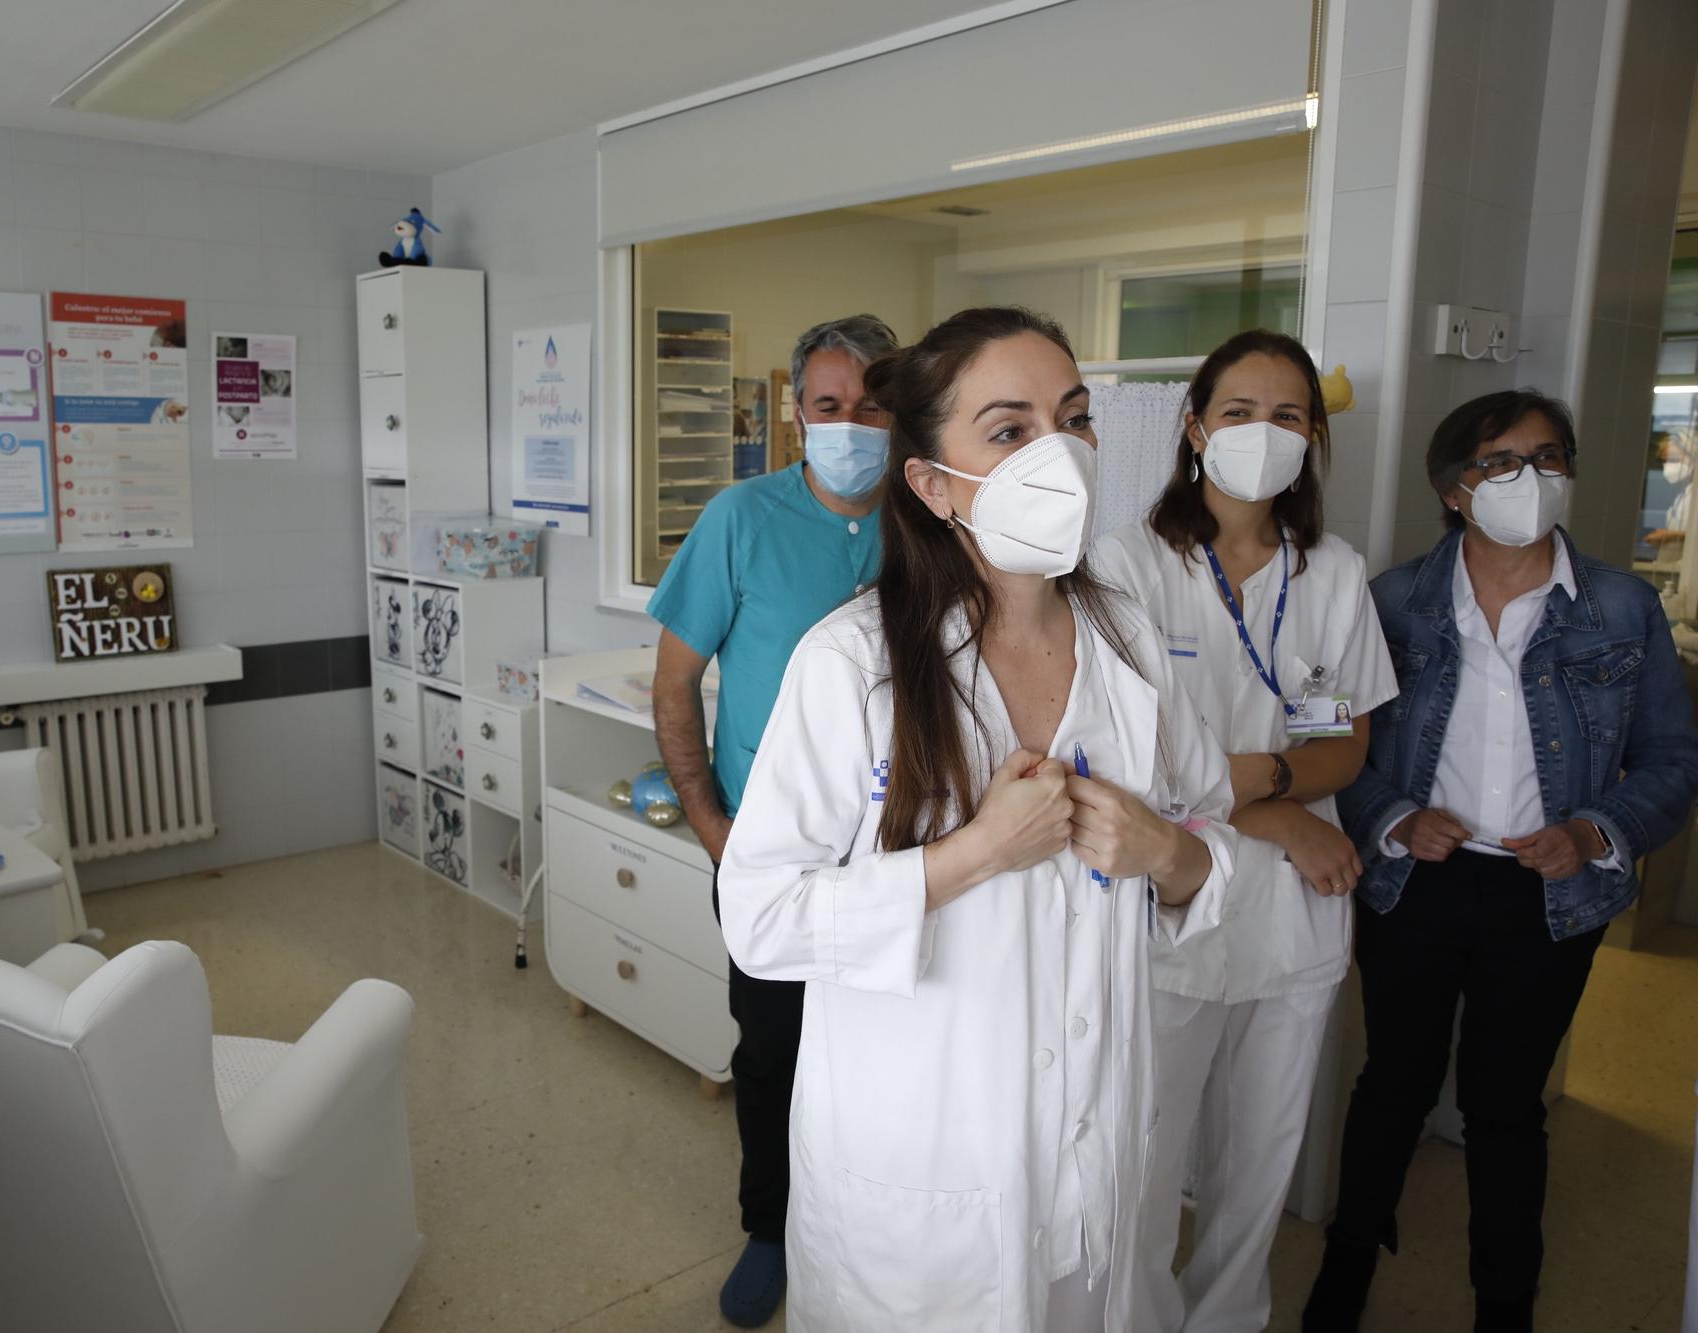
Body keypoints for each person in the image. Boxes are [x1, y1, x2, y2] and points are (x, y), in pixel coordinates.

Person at [717, 306, 1239, 1332]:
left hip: (1095, 1144)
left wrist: (1164, 854)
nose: (1060, 454)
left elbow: (1207, 844)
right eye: (1009, 430)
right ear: (929, 481)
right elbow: (759, 916)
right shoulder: (850, 663)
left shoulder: (1129, 639)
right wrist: (969, 856)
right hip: (925, 1168)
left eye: (1072, 418)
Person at [1306, 390, 1698, 1333]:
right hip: (1417, 882)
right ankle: (1345, 1275)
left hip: (1549, 891)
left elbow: (1675, 759)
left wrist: (1597, 830)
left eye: (1549, 457)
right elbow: (1332, 748)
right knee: (1392, 1082)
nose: (1532, 479)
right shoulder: (1394, 599)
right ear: (1453, 490)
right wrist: (1396, 818)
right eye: (1501, 463)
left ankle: (1504, 1301)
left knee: (1505, 1104)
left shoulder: (1620, 605)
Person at [1093, 330, 1398, 1333]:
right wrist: (1276, 809)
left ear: (1310, 438)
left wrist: (1248, 784)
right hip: (1170, 901)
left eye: (1284, 416)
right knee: (1142, 1165)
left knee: (1254, 1170)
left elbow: (1340, 748)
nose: (1259, 435)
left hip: (1292, 912)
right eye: (1236, 412)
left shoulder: (1330, 573)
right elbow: (1135, 767)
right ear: (1191, 428)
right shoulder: (1127, 564)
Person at [646, 313, 901, 1328]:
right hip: (768, 849)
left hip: (894, 856)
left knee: (885, 1050)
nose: (850, 423)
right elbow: (673, 685)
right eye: (828, 405)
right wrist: (714, 826)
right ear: (797, 415)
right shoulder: (740, 518)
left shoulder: (928, 521)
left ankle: (867, 1223)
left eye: (872, 404)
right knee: (772, 1051)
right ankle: (768, 1226)